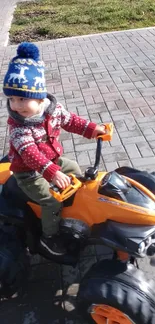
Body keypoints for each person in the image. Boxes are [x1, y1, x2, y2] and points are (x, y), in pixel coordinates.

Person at [3, 42, 106, 256]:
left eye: (22, 98)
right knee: (50, 202)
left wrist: (92, 129)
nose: (16, 106)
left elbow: (71, 121)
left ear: (40, 97)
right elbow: (30, 154)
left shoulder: (53, 109)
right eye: (11, 99)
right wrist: (52, 173)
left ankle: (72, 208)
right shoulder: (18, 126)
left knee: (75, 168)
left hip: (53, 160)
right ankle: (49, 236)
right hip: (28, 173)